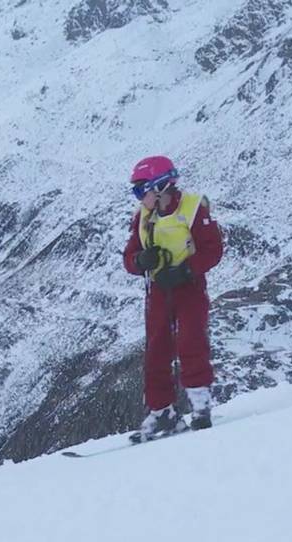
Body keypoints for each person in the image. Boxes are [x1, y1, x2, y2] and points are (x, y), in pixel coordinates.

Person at [122, 156, 223, 442]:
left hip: (188, 287)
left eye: (142, 191)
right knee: (157, 350)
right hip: (158, 291)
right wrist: (141, 260)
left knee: (191, 340)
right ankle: (162, 411)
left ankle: (200, 402)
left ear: (162, 186)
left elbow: (213, 249)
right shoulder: (142, 217)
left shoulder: (192, 209)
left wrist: (187, 270)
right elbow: (128, 258)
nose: (140, 198)